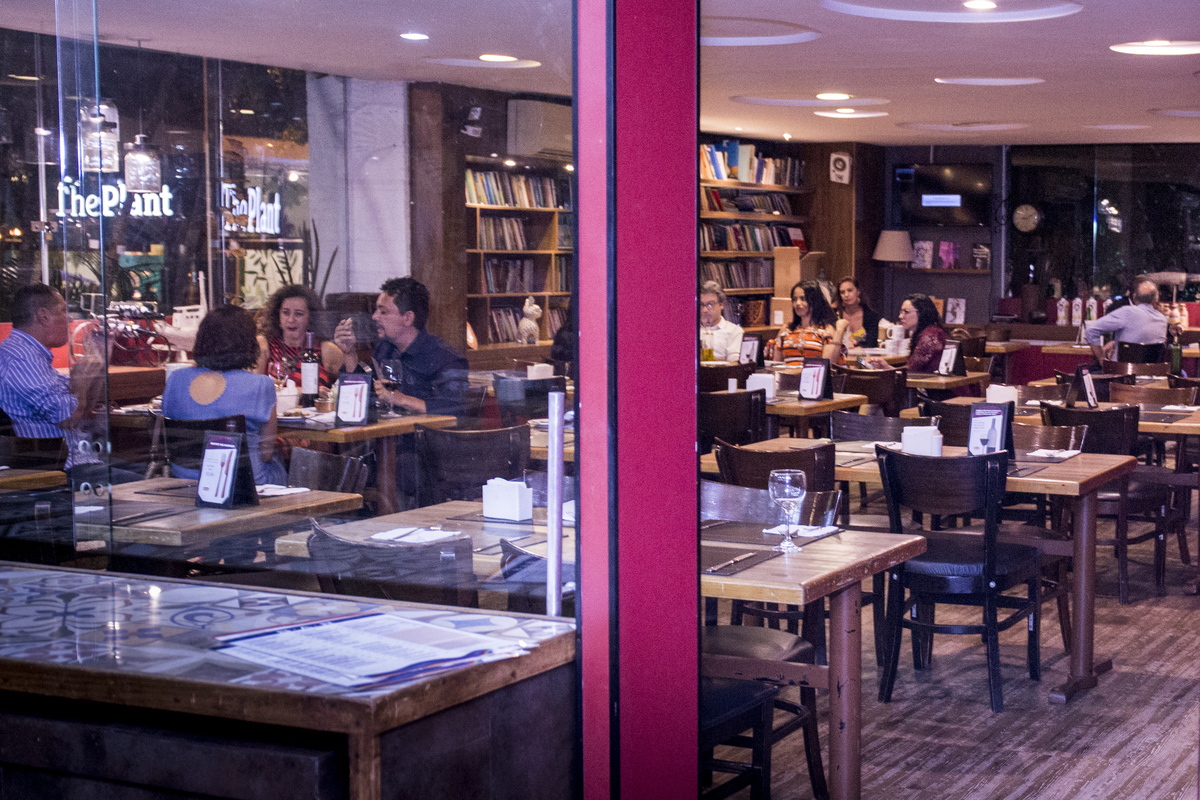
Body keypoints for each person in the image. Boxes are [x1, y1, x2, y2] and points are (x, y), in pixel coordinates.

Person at [161, 305, 286, 485]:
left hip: (184, 485)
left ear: (201, 340)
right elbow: (265, 453)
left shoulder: (176, 380)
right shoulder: (260, 385)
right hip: (244, 487)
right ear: (248, 344)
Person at [0, 284, 100, 474]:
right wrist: (81, 382)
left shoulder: (31, 356)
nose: (70, 318)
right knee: (147, 480)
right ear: (43, 316)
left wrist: (98, 359)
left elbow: (84, 407)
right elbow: (68, 417)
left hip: (77, 463)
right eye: (63, 310)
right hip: (63, 472)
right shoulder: (21, 358)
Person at [334, 277, 468, 417]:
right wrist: (349, 353)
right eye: (376, 310)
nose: (374, 317)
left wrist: (402, 400)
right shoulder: (385, 349)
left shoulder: (446, 357)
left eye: (383, 312)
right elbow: (360, 397)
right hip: (389, 429)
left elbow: (455, 410)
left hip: (424, 431)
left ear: (408, 318)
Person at [254, 285, 345, 388]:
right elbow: (255, 389)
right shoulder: (265, 346)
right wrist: (301, 392)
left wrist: (349, 352)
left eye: (299, 314)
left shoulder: (325, 350)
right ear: (277, 315)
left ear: (310, 318)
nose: (291, 320)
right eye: (285, 313)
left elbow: (353, 380)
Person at [1083, 279, 1167, 364]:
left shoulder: (1126, 312)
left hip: (1123, 371)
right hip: (1152, 372)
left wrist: (1102, 360)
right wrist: (1115, 343)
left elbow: (1091, 330)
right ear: (1155, 300)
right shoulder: (1163, 320)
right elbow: (1144, 342)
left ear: (1134, 296)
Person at [765, 280, 848, 364]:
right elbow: (776, 364)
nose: (797, 303)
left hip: (813, 372)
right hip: (787, 372)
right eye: (794, 299)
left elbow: (828, 363)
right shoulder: (786, 329)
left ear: (814, 301)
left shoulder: (826, 330)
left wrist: (839, 331)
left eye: (803, 299)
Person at [900, 293, 948, 373]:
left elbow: (912, 369)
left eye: (906, 312)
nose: (900, 316)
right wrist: (887, 368)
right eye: (901, 312)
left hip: (934, 381)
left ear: (921, 312)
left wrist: (888, 370)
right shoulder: (929, 331)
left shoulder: (930, 335)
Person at [698, 280, 744, 363]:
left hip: (718, 371)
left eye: (710, 304)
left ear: (721, 304)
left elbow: (736, 365)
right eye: (701, 305)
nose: (704, 310)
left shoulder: (734, 331)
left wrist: (709, 358)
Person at [836, 277, 885, 349]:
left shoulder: (871, 315)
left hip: (863, 355)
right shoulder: (835, 315)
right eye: (842, 292)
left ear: (858, 292)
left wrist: (858, 347)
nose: (846, 295)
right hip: (839, 355)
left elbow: (872, 343)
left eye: (850, 290)